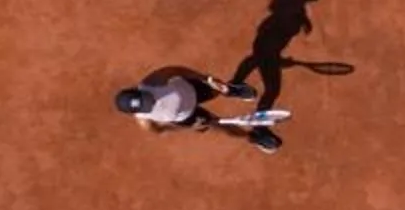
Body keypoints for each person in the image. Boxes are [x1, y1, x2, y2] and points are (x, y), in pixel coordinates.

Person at [114, 65, 281, 152]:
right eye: (144, 106)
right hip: (188, 116)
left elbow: (176, 69)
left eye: (144, 98)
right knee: (221, 127)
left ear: (137, 90)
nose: (149, 103)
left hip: (192, 89)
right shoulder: (145, 121)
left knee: (218, 89)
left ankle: (232, 90)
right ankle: (252, 137)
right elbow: (160, 130)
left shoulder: (152, 82)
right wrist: (189, 127)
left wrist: (206, 78)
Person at [227, 0, 324, 113]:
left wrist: (304, 19)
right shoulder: (290, 15)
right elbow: (270, 48)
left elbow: (286, 16)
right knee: (272, 89)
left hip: (264, 42)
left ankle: (234, 84)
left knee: (255, 59)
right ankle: (258, 126)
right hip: (268, 48)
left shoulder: (291, 6)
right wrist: (277, 60)